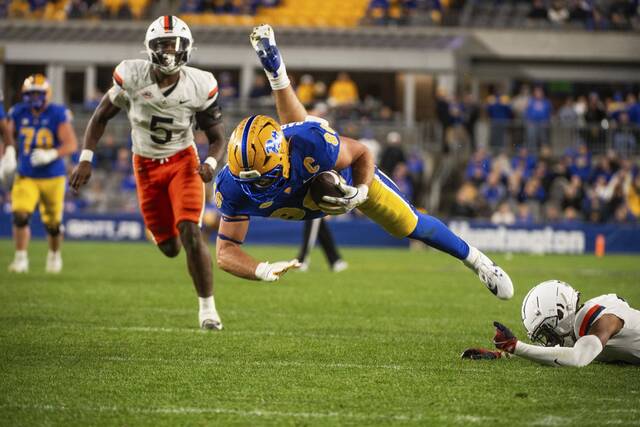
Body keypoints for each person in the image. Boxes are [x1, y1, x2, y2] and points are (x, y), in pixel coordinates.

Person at [213, 24, 514, 301]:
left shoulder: (313, 146)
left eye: (264, 178)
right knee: (297, 131)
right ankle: (276, 73)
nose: (257, 187)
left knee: (409, 224)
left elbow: (361, 153)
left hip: (341, 174)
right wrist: (261, 269)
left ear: (280, 160)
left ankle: (478, 260)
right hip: (302, 163)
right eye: (249, 181)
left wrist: (360, 190)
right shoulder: (232, 187)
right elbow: (225, 251)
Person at [69, 16, 226, 331]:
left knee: (191, 231)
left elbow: (217, 137)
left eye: (174, 44)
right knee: (170, 248)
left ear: (186, 48)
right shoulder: (131, 75)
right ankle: (168, 234)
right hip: (145, 165)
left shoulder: (200, 83)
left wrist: (210, 163)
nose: (169, 51)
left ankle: (208, 310)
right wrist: (86, 157)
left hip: (183, 162)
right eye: (163, 45)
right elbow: (100, 116)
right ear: (150, 49)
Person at [0, 74, 78, 273]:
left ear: (47, 94)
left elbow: (71, 144)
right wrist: (5, 156)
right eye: (31, 93)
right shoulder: (18, 112)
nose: (34, 97)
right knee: (20, 215)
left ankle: (54, 255)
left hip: (53, 175)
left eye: (38, 93)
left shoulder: (57, 113)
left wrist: (52, 153)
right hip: (26, 174)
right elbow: (7, 137)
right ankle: (20, 259)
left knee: (53, 224)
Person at [462, 280, 640, 366]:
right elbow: (560, 350)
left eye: (547, 333)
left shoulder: (603, 321)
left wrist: (516, 346)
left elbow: (578, 358)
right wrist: (500, 355)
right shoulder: (578, 323)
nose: (547, 340)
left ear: (561, 313)